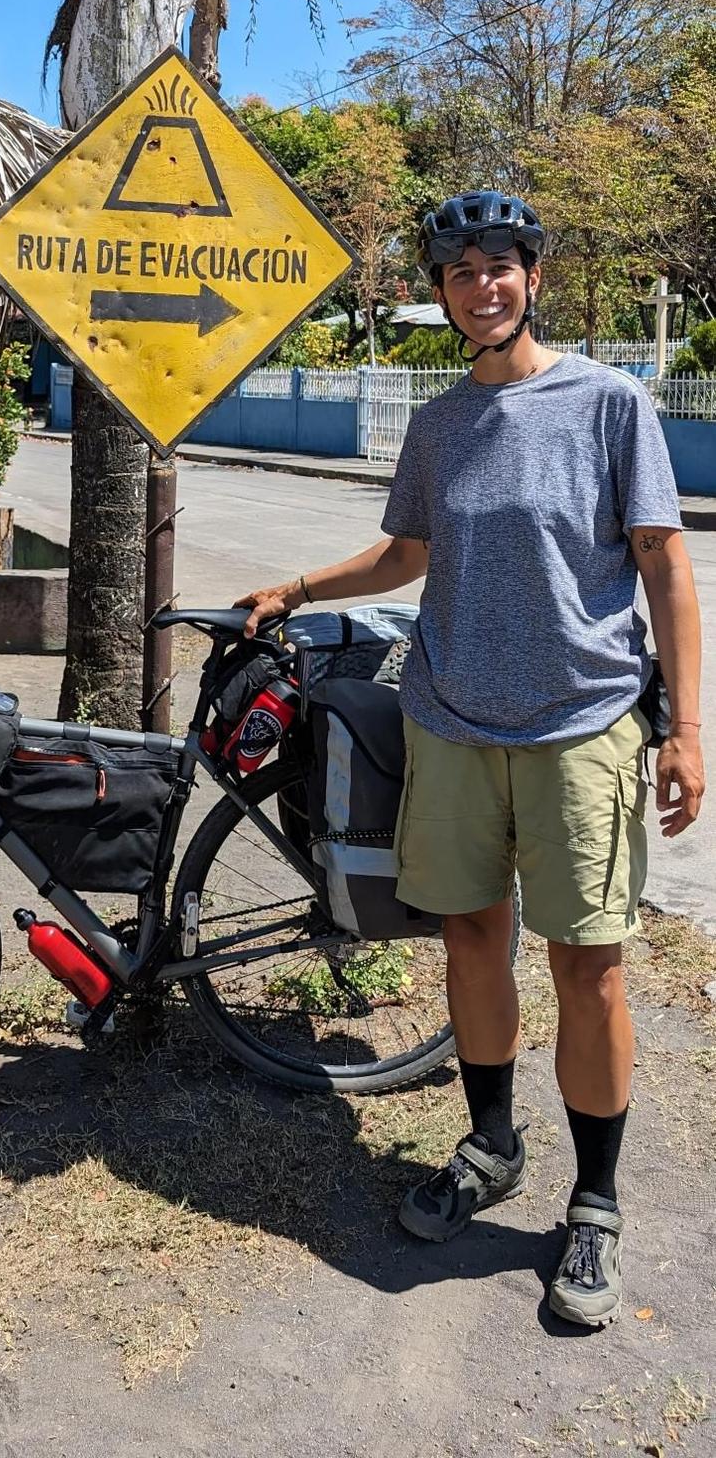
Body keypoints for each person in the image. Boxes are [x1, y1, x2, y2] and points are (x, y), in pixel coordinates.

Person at [237, 190, 705, 1328]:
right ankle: (491, 1143)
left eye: (500, 263)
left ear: (531, 276)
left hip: (582, 729)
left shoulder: (609, 403)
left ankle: (593, 1203)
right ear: (442, 292)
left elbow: (665, 567)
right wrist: (297, 587)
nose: (481, 284)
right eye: (459, 270)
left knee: (589, 965)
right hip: (449, 723)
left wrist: (688, 726)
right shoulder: (441, 423)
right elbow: (406, 552)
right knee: (469, 939)